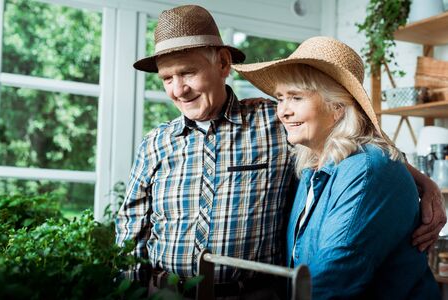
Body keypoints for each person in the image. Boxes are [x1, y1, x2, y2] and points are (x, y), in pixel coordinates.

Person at [116, 4, 444, 298]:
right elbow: (130, 231)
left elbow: (357, 137)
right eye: (167, 78)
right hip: (168, 294)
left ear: (223, 63)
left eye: (188, 73)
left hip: (253, 294)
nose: (178, 89)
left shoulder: (276, 123)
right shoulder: (155, 143)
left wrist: (424, 183)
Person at [232, 36, 440, 299]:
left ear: (338, 108)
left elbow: (329, 285)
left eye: (296, 97)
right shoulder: (313, 167)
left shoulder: (366, 170)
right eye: (280, 98)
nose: (282, 111)